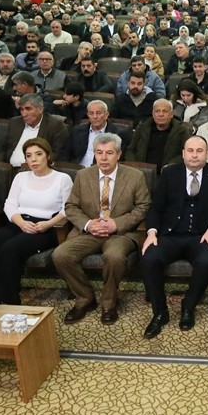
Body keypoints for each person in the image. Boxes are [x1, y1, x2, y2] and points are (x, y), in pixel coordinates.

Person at [53, 133, 151, 326]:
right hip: (90, 231)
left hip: (120, 233)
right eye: (99, 153)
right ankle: (85, 298)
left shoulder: (135, 176)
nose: (103, 158)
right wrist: (89, 224)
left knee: (114, 257)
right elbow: (71, 206)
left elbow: (144, 207)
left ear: (119, 154)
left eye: (109, 153)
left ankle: (109, 303)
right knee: (60, 255)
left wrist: (117, 223)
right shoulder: (83, 175)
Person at [139, 136, 208, 338]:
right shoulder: (170, 173)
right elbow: (156, 207)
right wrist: (152, 231)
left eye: (199, 151)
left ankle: (188, 306)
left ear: (207, 154)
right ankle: (160, 312)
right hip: (170, 234)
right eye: (190, 150)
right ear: (183, 153)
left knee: (207, 261)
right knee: (149, 258)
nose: (195, 155)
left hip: (200, 235)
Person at [0, 138, 71, 306]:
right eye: (29, 156)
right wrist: (20, 223)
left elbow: (68, 209)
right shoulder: (21, 177)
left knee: (9, 249)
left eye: (38, 154)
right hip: (18, 222)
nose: (33, 159)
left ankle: (11, 301)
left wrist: (47, 224)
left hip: (45, 227)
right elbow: (10, 204)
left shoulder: (62, 179)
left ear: (48, 155)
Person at [2, 93, 69, 166]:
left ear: (40, 109)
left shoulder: (55, 125)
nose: (24, 114)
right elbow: (5, 149)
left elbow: (57, 154)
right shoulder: (14, 122)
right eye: (21, 109)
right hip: (10, 169)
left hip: (37, 170)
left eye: (28, 109)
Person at [126, 98, 191, 168]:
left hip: (169, 171)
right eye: (157, 111)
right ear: (153, 114)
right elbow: (131, 150)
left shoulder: (181, 130)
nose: (161, 114)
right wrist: (134, 165)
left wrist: (171, 165)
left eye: (165, 111)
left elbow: (187, 152)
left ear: (171, 114)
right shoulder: (142, 127)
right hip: (143, 170)